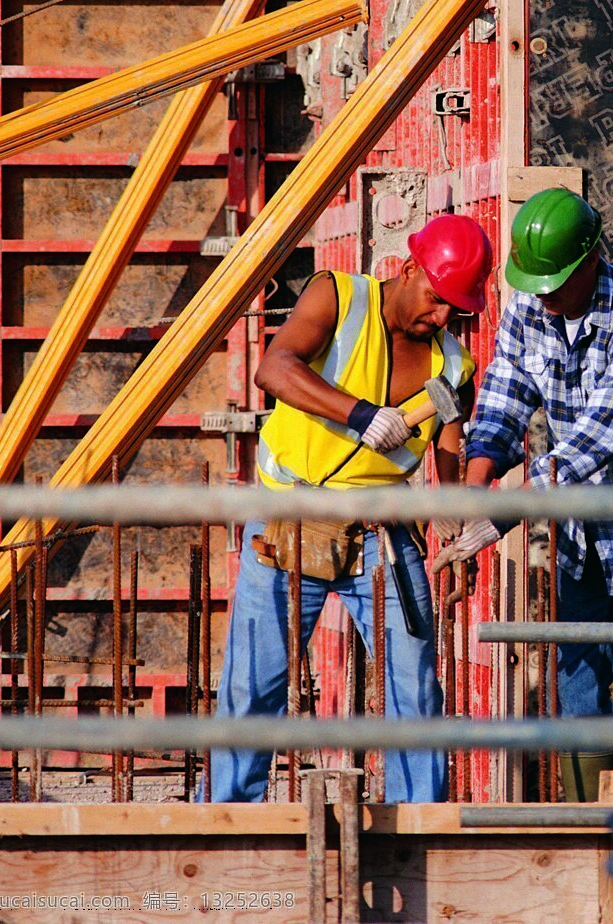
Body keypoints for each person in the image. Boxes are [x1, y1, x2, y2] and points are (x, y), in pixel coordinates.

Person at [209, 213, 492, 803]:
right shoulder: (337, 296)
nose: (441, 317)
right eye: (436, 299)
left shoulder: (453, 366)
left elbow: (446, 457)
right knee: (253, 690)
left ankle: (422, 830)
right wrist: (360, 415)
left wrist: (457, 535)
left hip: (381, 535)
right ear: (410, 266)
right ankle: (228, 828)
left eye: (455, 309)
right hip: (291, 522)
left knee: (415, 690)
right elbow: (275, 368)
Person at [433, 188, 613, 780]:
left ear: (591, 260)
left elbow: (592, 442)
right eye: (535, 285)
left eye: (555, 285)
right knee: (575, 667)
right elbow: (506, 398)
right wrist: (473, 483)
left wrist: (496, 520)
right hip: (579, 525)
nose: (544, 299)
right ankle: (588, 816)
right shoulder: (532, 304)